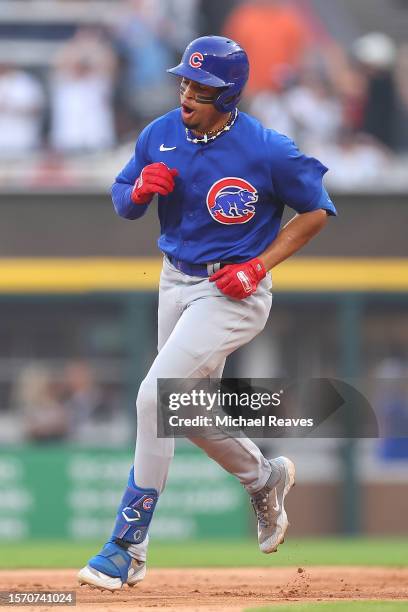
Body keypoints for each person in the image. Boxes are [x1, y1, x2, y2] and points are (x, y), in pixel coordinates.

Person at [78, 35, 337, 591]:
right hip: (174, 281)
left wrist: (261, 265)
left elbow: (317, 212)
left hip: (233, 292)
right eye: (185, 81)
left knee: (155, 394)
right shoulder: (161, 133)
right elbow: (122, 196)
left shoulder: (266, 148)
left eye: (202, 86)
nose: (188, 93)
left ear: (230, 93)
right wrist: (138, 191)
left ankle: (127, 545)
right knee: (181, 411)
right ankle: (262, 476)